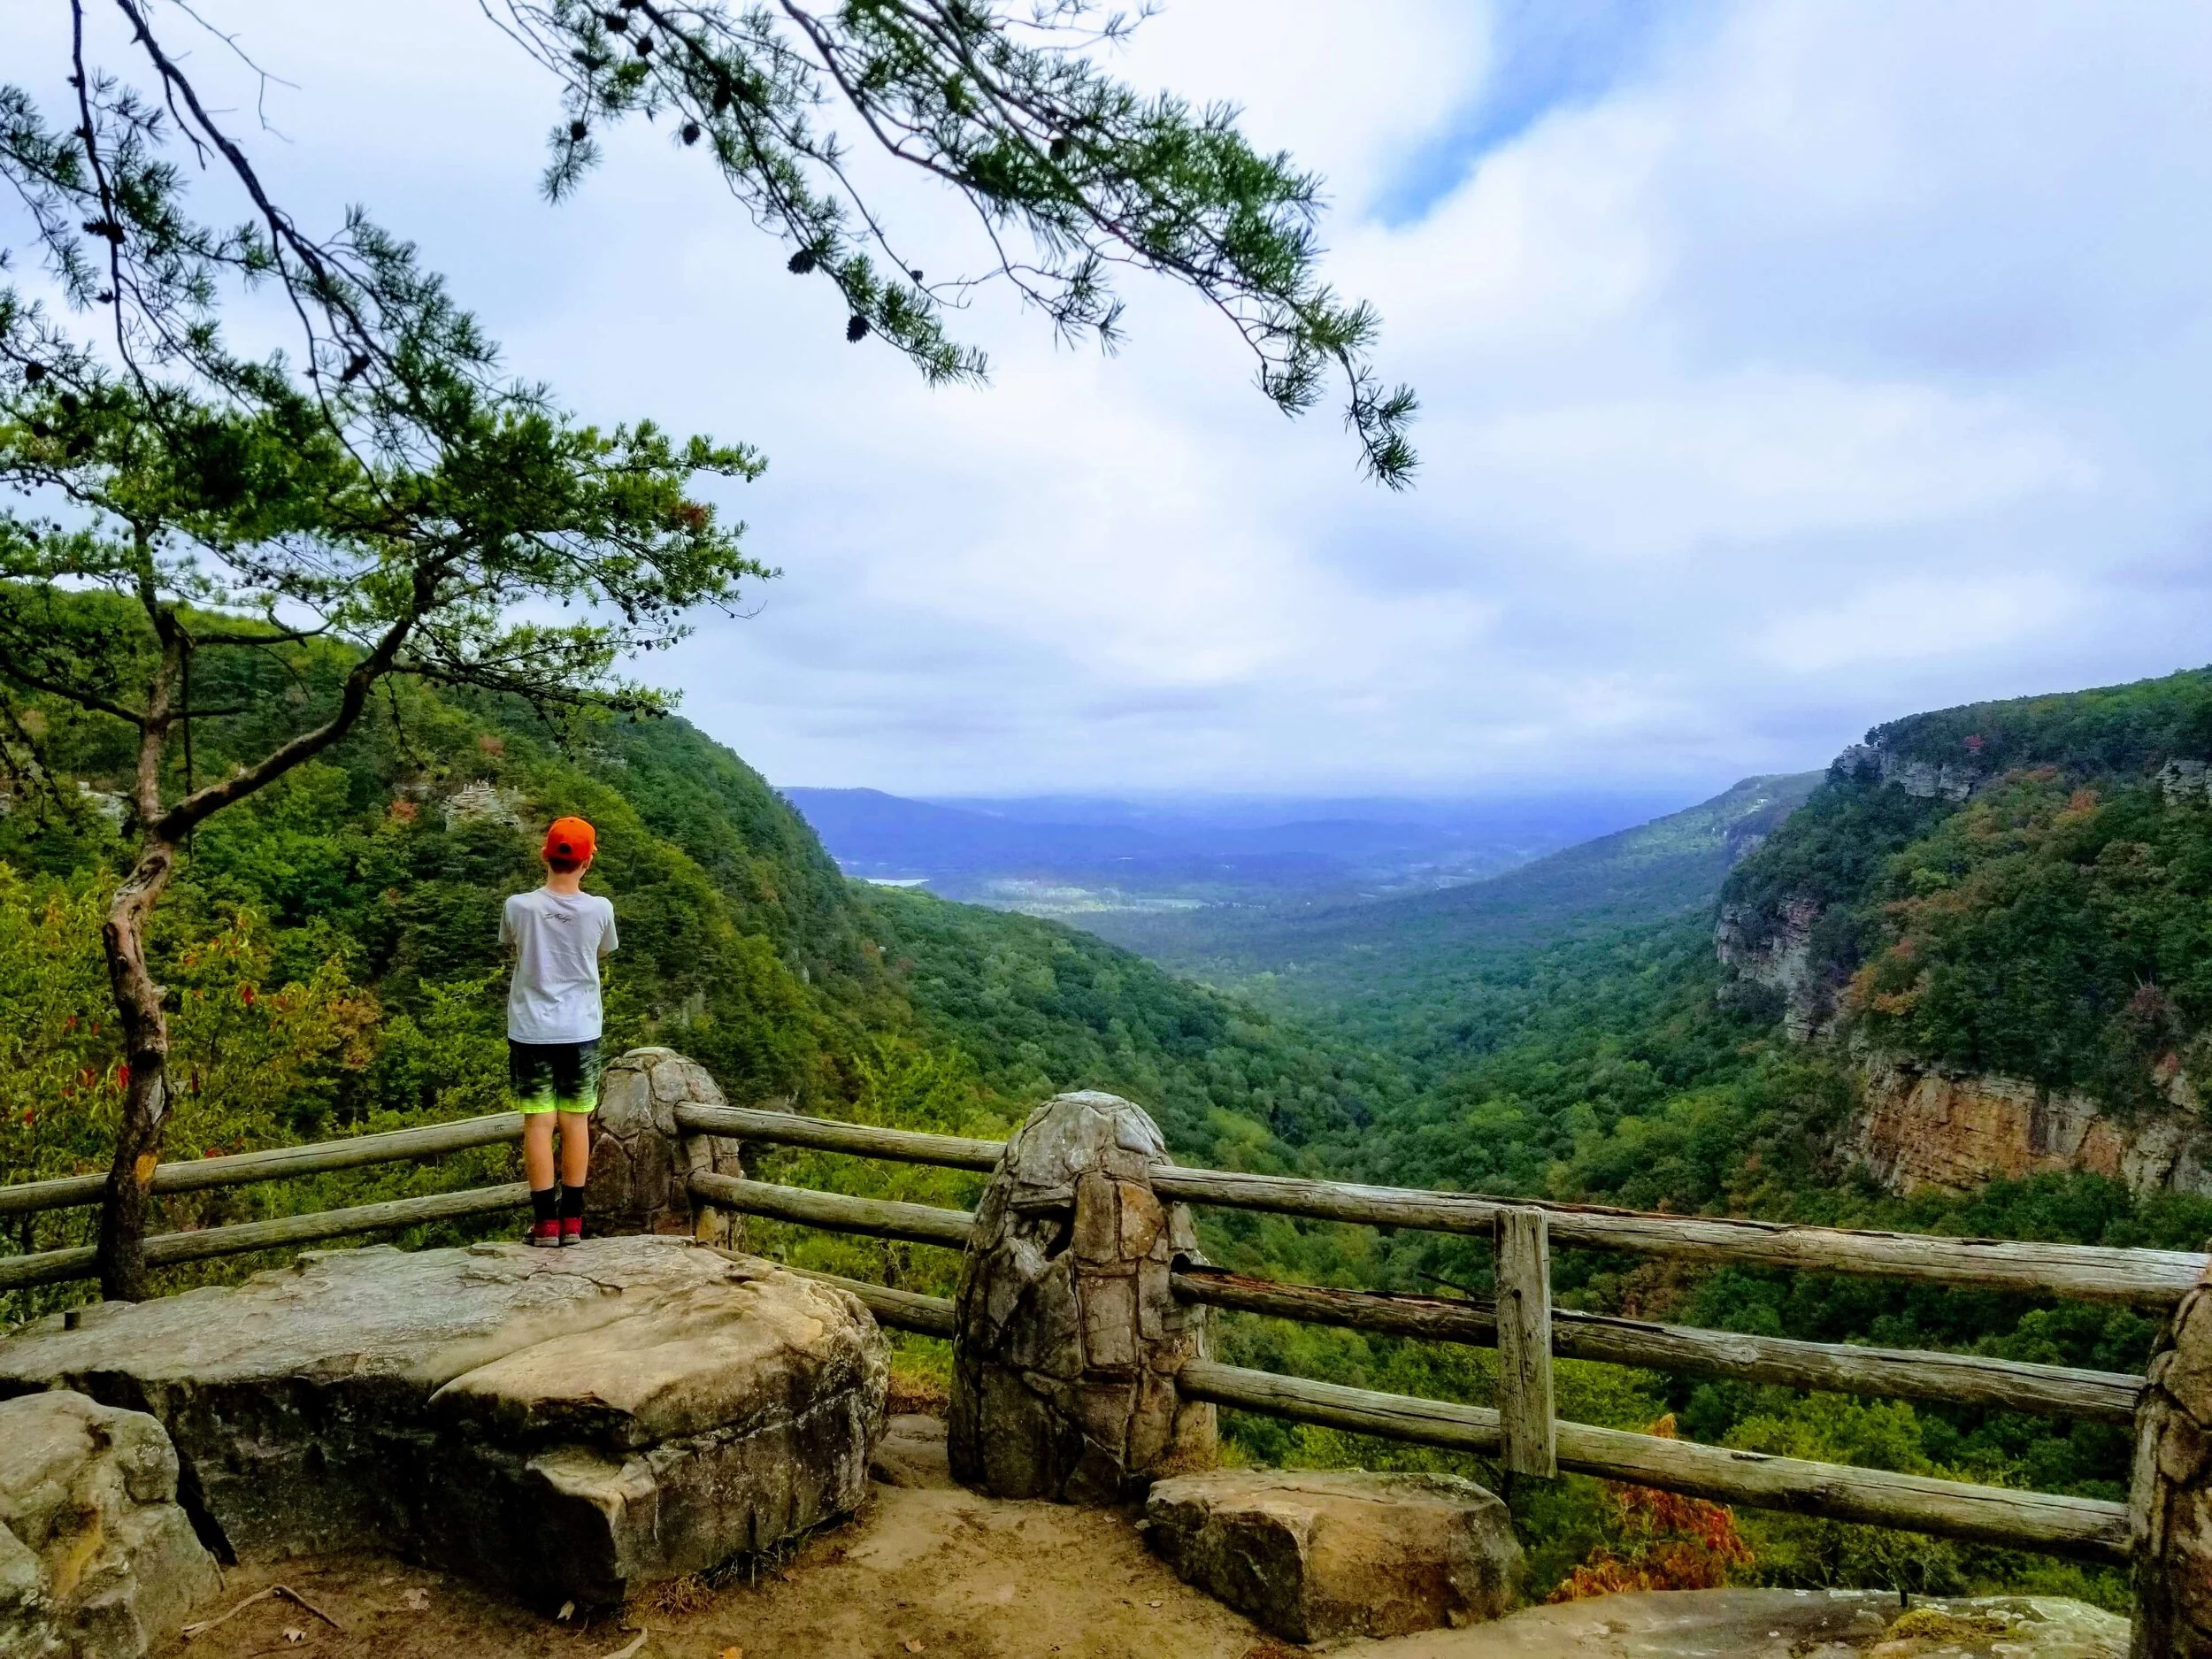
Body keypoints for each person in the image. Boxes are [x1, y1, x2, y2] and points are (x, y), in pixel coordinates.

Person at [502, 816, 618, 1246]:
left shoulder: (518, 906)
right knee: (575, 1121)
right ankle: (572, 1222)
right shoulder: (600, 909)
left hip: (531, 1029)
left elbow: (511, 943)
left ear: (544, 856)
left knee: (538, 1123)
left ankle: (545, 1224)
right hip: (581, 1028)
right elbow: (604, 950)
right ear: (589, 861)